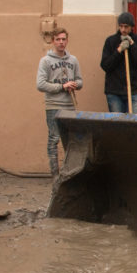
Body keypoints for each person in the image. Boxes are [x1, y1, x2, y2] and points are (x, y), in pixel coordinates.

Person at [36, 29, 83, 176]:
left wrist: (75, 84)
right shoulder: (46, 61)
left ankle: (69, 172)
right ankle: (55, 173)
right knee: (54, 138)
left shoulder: (73, 60)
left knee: (70, 140)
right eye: (58, 39)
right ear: (53, 41)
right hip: (53, 105)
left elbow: (80, 81)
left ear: (67, 40)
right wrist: (62, 86)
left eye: (63, 39)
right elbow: (40, 84)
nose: (61, 42)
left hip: (69, 105)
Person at [100, 11, 137, 113]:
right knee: (118, 125)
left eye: (126, 27)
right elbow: (105, 65)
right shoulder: (111, 41)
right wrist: (119, 50)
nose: (123, 30)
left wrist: (132, 45)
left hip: (134, 91)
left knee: (134, 124)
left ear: (131, 27)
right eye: (121, 26)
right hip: (114, 92)